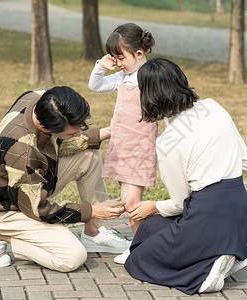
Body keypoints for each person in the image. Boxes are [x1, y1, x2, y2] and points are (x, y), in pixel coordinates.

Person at [123, 58, 247, 294]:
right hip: (240, 209)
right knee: (149, 230)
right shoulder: (214, 106)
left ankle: (207, 272)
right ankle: (228, 250)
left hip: (207, 215)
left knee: (137, 259)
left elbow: (179, 204)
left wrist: (152, 205)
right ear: (181, 81)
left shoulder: (168, 142)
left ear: (148, 96)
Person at [0, 85, 130, 272]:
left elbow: (57, 144)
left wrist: (104, 133)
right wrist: (91, 211)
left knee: (89, 156)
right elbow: (38, 209)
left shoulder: (43, 97)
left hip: (27, 185)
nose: (79, 134)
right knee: (72, 257)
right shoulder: (22, 152)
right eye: (72, 133)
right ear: (46, 127)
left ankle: (93, 233)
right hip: (5, 207)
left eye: (80, 128)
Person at [88, 23, 158, 264]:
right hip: (120, 147)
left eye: (120, 57)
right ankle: (140, 246)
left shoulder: (152, 78)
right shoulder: (122, 76)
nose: (117, 62)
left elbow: (166, 111)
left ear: (139, 54)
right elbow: (95, 86)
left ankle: (139, 249)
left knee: (132, 203)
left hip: (139, 149)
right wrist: (100, 66)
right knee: (130, 202)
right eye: (114, 57)